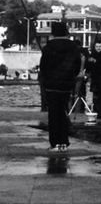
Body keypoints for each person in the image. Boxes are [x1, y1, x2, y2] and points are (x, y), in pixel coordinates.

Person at [38, 22, 83, 151]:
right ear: (66, 32)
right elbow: (77, 64)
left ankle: (55, 143)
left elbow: (44, 67)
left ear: (53, 32)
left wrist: (46, 79)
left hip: (51, 85)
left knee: (53, 113)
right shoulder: (73, 47)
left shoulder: (48, 47)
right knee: (63, 112)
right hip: (66, 85)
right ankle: (64, 142)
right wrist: (71, 77)